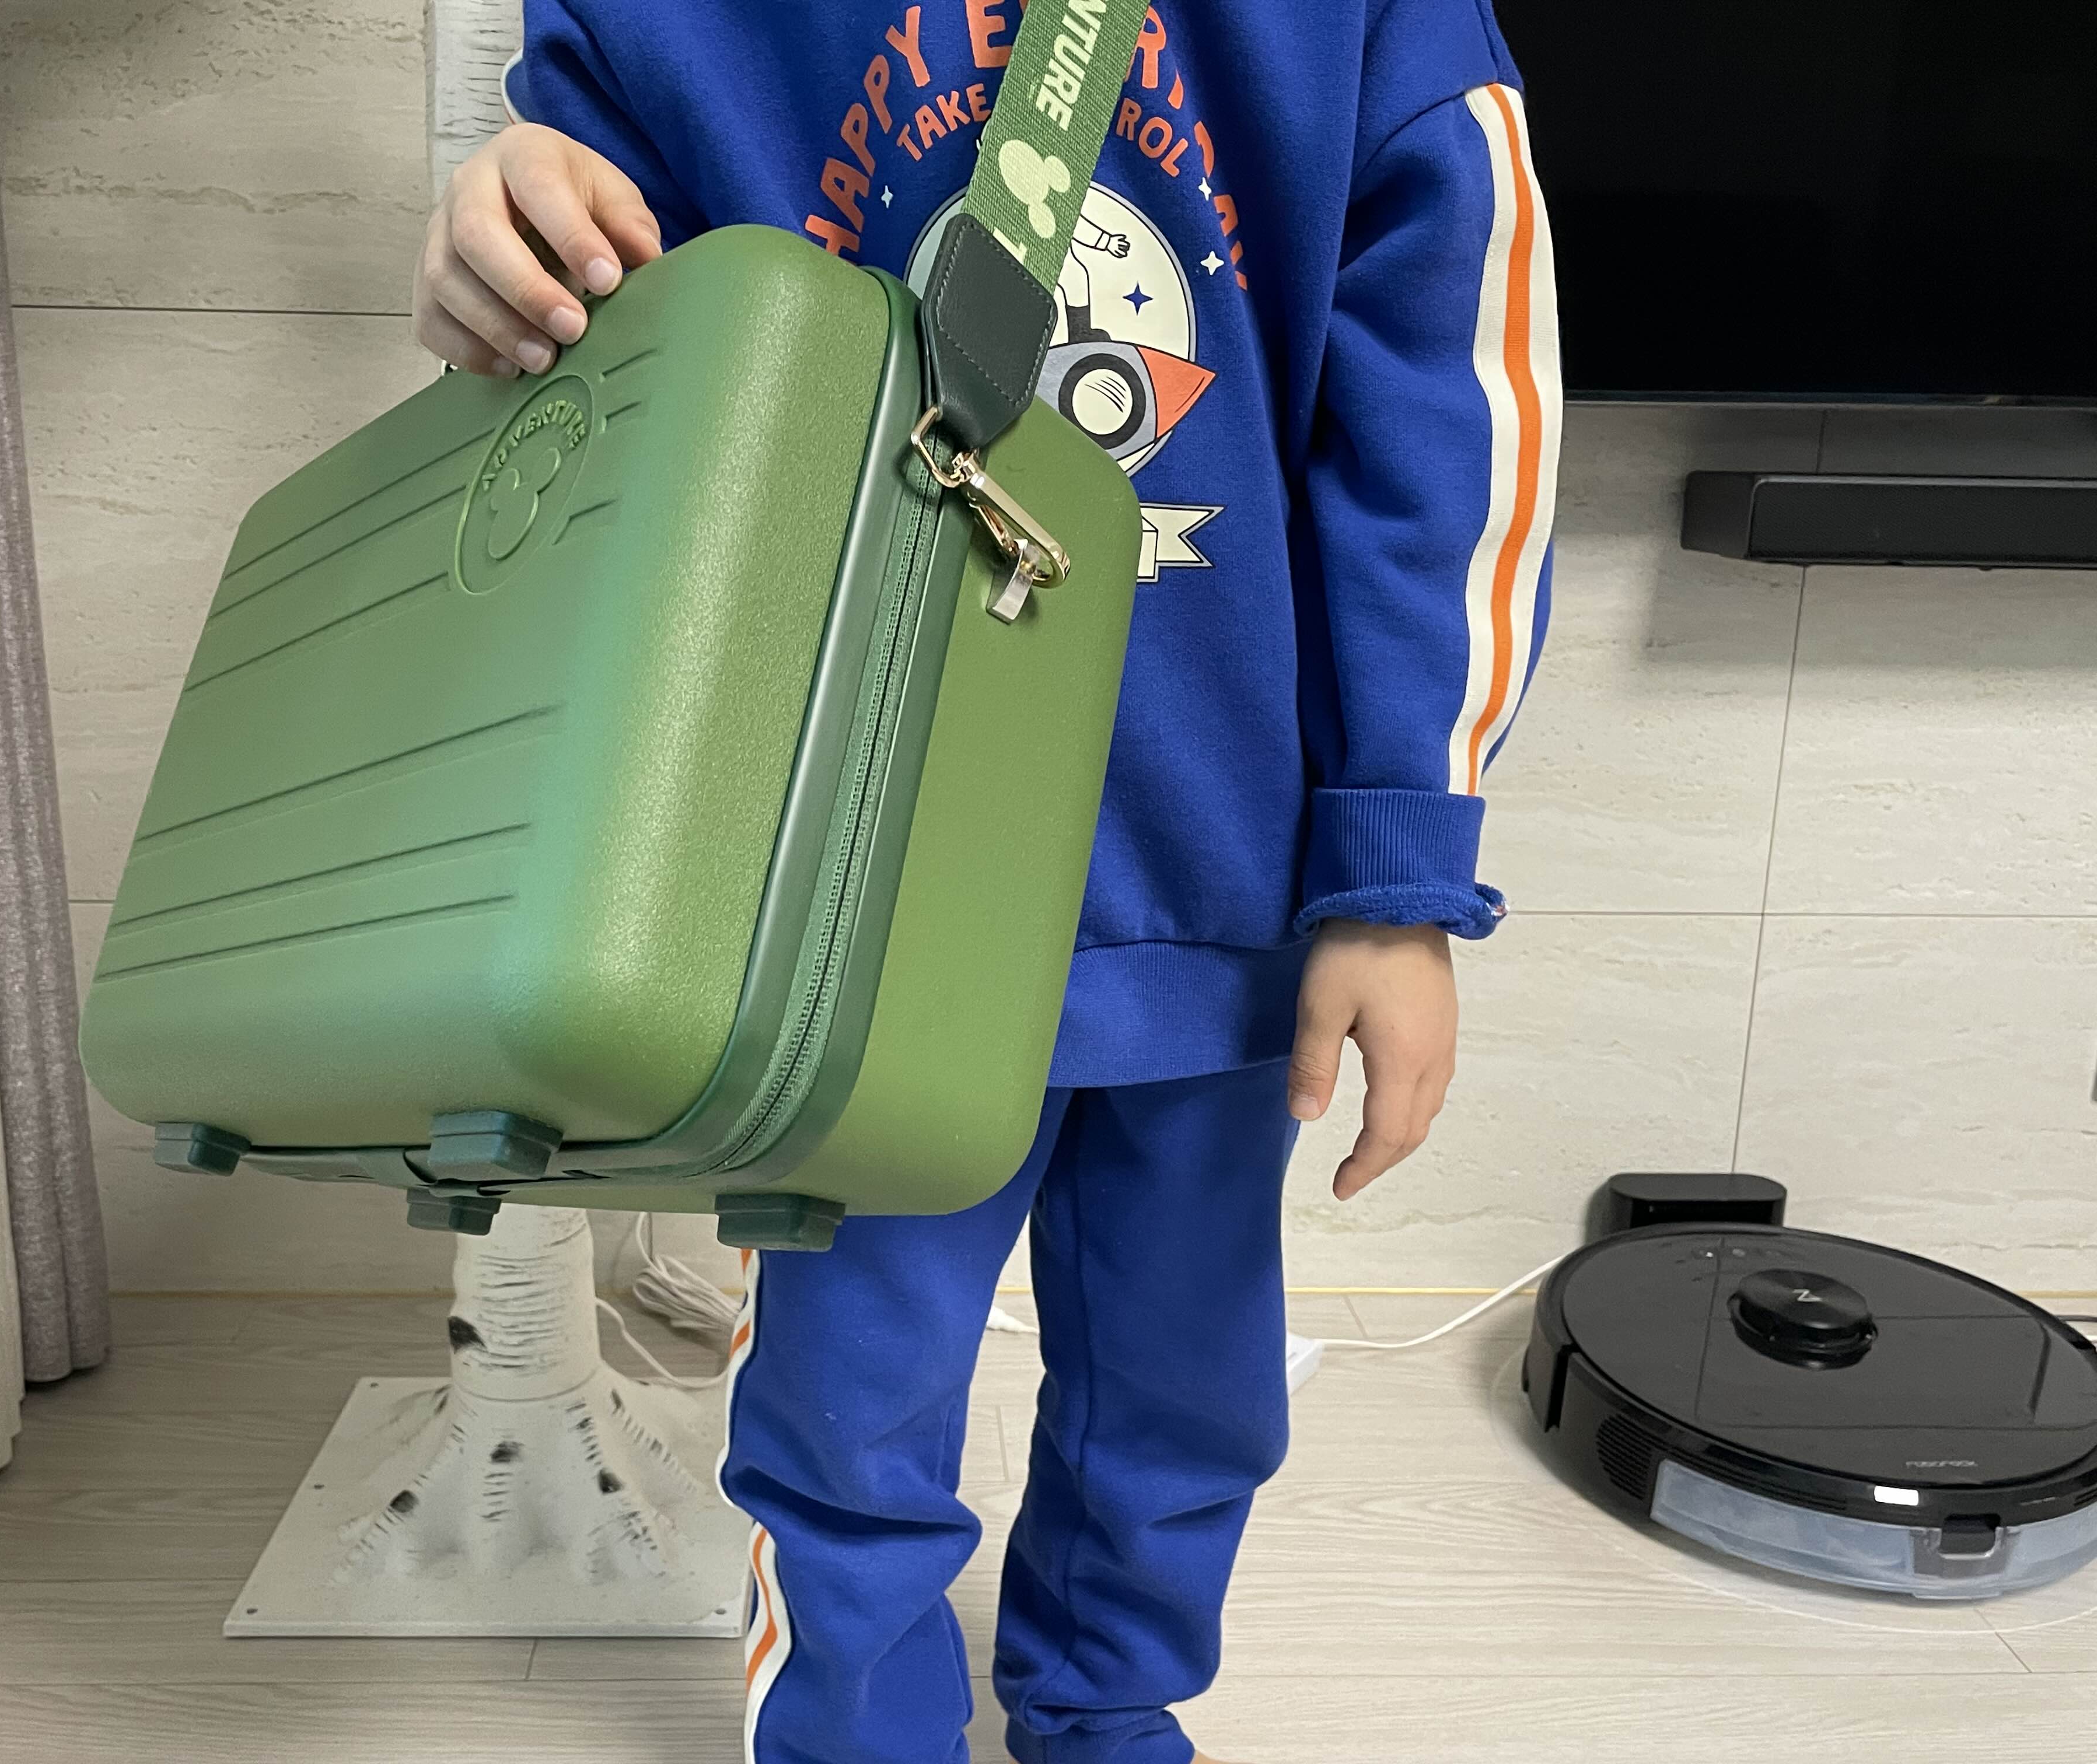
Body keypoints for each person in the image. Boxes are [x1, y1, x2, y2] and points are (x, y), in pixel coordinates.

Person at [413, 5, 1560, 1760]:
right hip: (853, 894)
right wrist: (514, 219)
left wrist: (1398, 870)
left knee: (1185, 1400)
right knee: (846, 1410)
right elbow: (613, 351)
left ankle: (1109, 1717)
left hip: (1222, 872)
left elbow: (1445, 410)